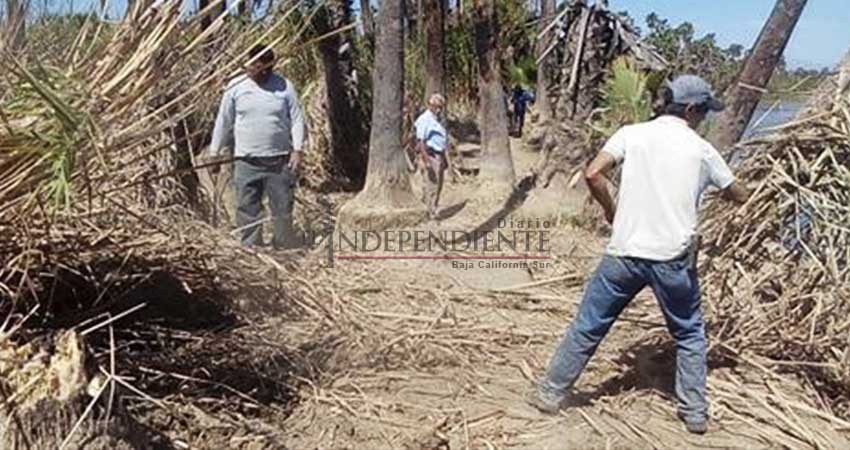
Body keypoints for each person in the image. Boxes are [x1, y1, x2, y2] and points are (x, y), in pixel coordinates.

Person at [527, 75, 749, 434]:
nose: (705, 117)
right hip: (672, 259)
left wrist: (611, 210)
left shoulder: (631, 134)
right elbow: (740, 194)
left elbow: (593, 173)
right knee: (690, 335)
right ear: (692, 109)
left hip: (623, 254)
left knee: (589, 325)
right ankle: (694, 413)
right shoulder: (702, 150)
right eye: (704, 111)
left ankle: (551, 393)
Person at [208, 44, 306, 249]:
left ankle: (284, 246)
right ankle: (252, 247)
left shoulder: (284, 86)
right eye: (258, 67)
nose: (262, 73)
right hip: (246, 160)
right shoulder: (236, 87)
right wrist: (214, 153)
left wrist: (297, 150)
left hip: (279, 160)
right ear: (250, 64)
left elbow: (296, 118)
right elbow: (223, 121)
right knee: (247, 206)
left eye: (267, 69)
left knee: (282, 206)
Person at [414, 94, 448, 220]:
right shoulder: (425, 119)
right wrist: (427, 161)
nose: (439, 110)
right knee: (431, 185)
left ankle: (431, 209)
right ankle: (429, 214)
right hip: (430, 155)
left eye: (441, 107)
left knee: (437, 184)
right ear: (430, 105)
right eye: (436, 107)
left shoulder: (435, 119)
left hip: (438, 155)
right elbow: (421, 142)